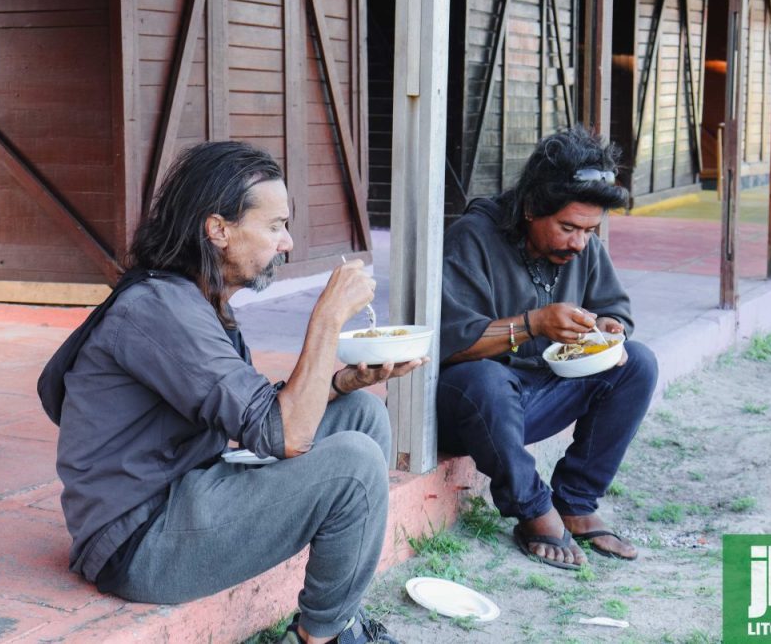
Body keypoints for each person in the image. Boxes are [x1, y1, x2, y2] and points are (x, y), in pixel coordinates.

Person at [38, 141, 425, 644]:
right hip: (137, 541)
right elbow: (281, 434)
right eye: (274, 226)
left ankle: (339, 616)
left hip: (188, 490)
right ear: (218, 229)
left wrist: (339, 383)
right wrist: (328, 317)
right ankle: (323, 638)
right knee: (354, 465)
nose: (286, 243)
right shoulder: (159, 310)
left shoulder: (197, 297)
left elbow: (254, 419)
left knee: (361, 416)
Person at [437, 127, 658, 570]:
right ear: (532, 207)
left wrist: (611, 329)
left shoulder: (583, 248)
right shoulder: (471, 238)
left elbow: (616, 310)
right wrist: (532, 324)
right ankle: (534, 511)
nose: (579, 243)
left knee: (637, 364)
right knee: (485, 377)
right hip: (474, 411)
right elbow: (449, 345)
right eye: (568, 228)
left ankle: (575, 502)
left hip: (538, 397)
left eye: (590, 230)